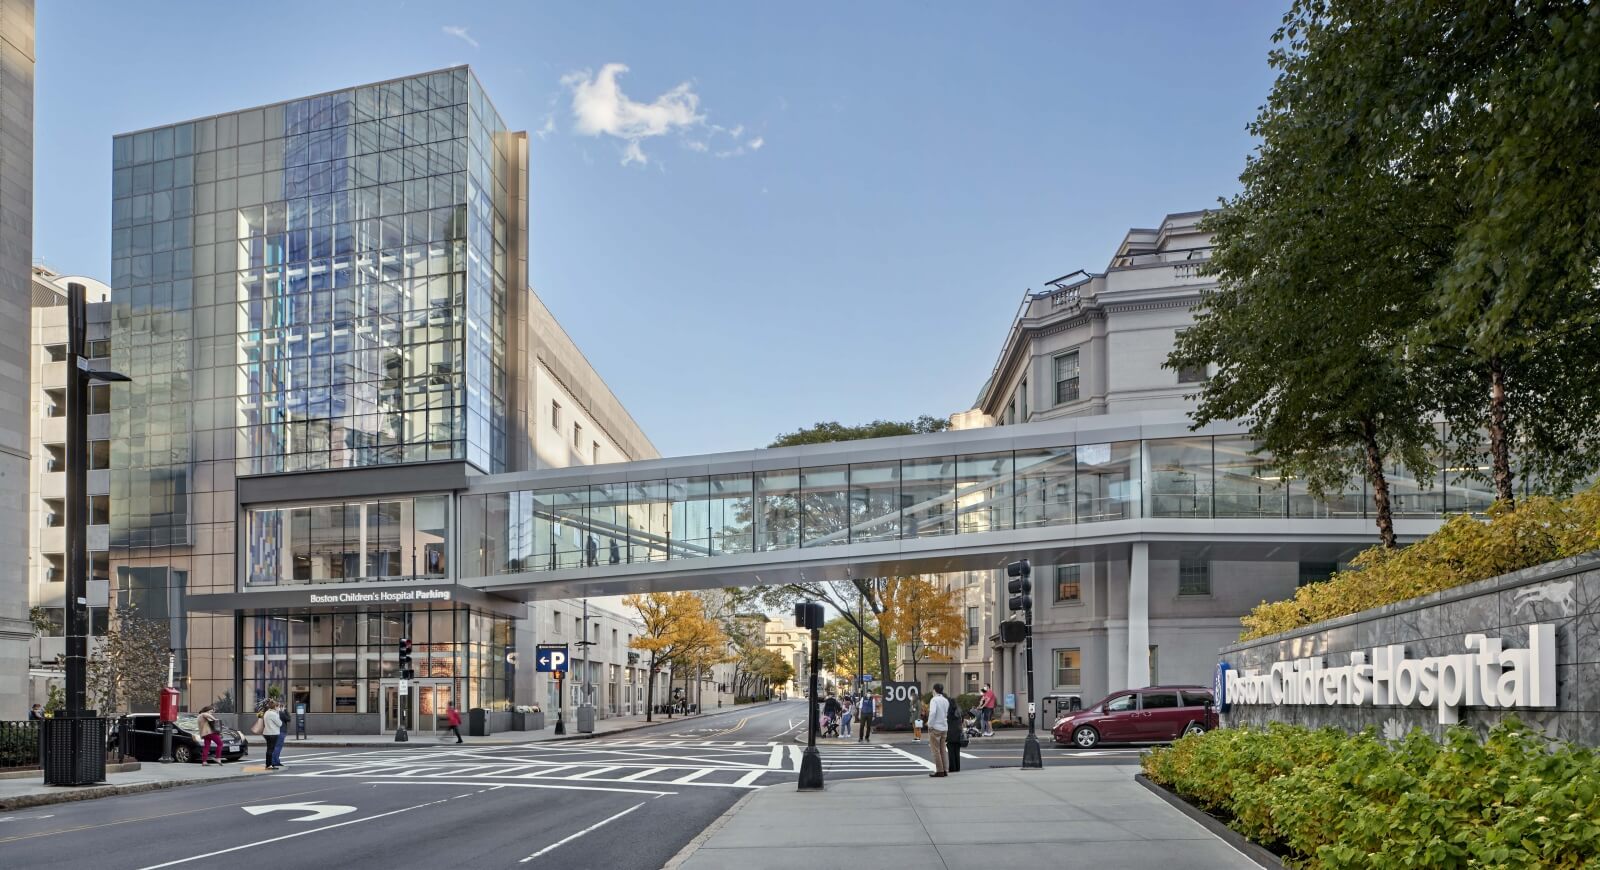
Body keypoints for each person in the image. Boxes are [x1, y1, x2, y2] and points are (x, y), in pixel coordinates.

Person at [926, 683, 950, 777]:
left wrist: (930, 724)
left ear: (934, 690)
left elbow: (932, 713)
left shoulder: (934, 700)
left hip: (935, 727)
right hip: (944, 727)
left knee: (935, 750)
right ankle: (945, 770)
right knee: (943, 749)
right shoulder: (945, 700)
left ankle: (939, 771)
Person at [263, 701, 284, 770]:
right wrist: (278, 713)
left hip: (267, 733)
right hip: (272, 733)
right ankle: (269, 765)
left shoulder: (267, 712)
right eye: (278, 707)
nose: (279, 708)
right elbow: (280, 724)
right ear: (275, 707)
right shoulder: (273, 714)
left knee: (269, 749)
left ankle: (268, 764)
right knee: (271, 749)